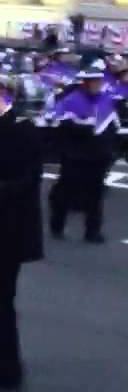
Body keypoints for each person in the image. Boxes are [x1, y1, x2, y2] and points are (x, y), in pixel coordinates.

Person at [0, 87, 42, 391]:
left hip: (9, 232)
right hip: (12, 231)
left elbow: (27, 182)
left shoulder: (22, 133)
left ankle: (9, 370)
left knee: (2, 303)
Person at [49, 60, 119, 243]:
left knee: (96, 195)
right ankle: (57, 224)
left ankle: (92, 231)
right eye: (93, 81)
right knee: (66, 191)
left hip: (98, 156)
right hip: (75, 156)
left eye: (99, 81)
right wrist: (83, 128)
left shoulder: (106, 100)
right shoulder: (71, 101)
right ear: (85, 83)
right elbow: (61, 125)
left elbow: (111, 127)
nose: (97, 84)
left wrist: (110, 148)